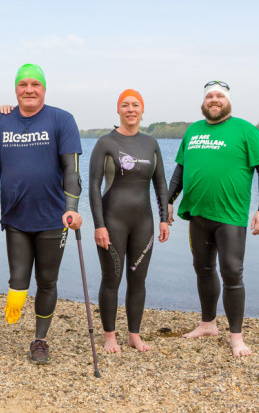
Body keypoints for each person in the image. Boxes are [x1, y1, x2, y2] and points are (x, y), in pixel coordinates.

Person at [0, 63, 82, 365]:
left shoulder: (62, 120)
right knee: (18, 280)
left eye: (35, 84)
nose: (29, 89)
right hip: (16, 218)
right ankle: (15, 312)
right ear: (16, 89)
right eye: (23, 85)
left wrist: (71, 210)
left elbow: (71, 170)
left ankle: (40, 339)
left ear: (44, 89)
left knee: (47, 280)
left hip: (53, 219)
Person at [167, 80, 259, 357]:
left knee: (231, 273)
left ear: (227, 101)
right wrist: (168, 201)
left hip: (231, 216)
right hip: (198, 214)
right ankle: (208, 323)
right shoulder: (192, 130)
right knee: (202, 269)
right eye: (210, 96)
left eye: (219, 96)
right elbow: (180, 170)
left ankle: (236, 337)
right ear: (204, 102)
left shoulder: (245, 130)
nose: (214, 100)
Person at [89, 89, 169, 354]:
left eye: (136, 105)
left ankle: (134, 335)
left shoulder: (151, 143)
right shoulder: (106, 143)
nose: (131, 109)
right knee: (111, 278)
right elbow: (93, 186)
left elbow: (160, 183)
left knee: (138, 280)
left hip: (143, 222)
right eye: (125, 105)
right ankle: (110, 336)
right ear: (118, 110)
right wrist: (98, 225)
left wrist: (164, 219)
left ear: (142, 110)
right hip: (112, 221)